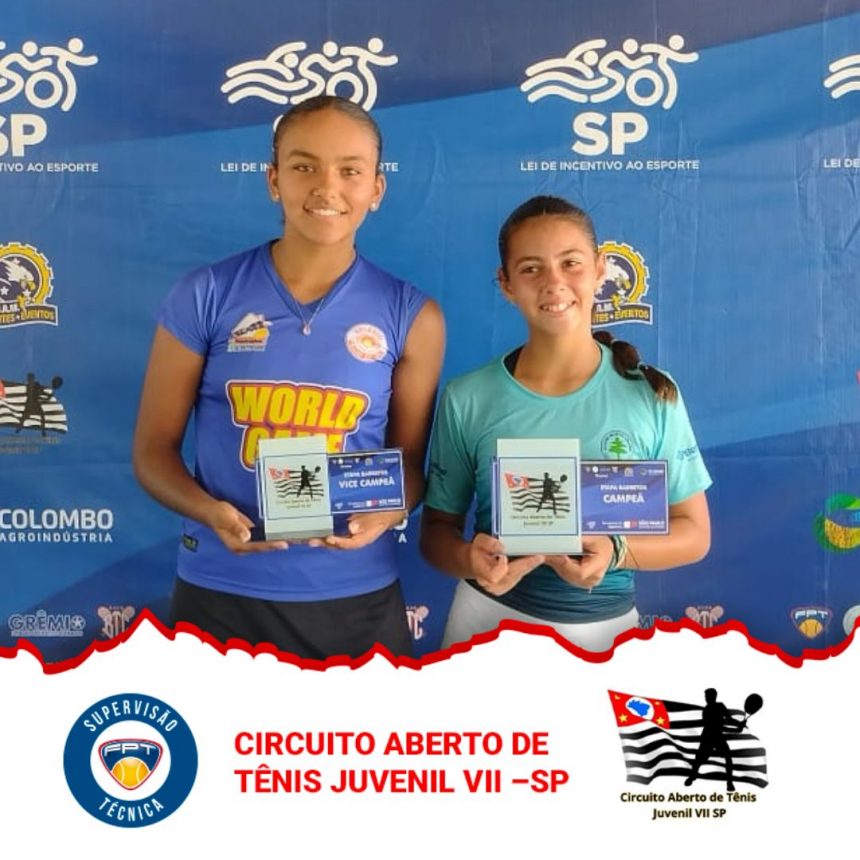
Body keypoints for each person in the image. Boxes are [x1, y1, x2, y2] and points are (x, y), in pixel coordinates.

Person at [133, 95, 445, 660]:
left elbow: (410, 467)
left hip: (356, 599)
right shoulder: (206, 294)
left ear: (376, 188)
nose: (327, 188)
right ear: (274, 180)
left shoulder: (412, 315)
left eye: (350, 170)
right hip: (220, 592)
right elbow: (153, 451)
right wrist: (209, 512)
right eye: (304, 166)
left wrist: (390, 509)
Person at [420, 195, 710, 652]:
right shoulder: (467, 397)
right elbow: (436, 532)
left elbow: (694, 534)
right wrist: (469, 559)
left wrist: (616, 551)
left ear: (600, 270)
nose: (554, 283)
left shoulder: (652, 394)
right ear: (506, 283)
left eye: (570, 263)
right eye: (531, 268)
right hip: (486, 625)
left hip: (606, 633)